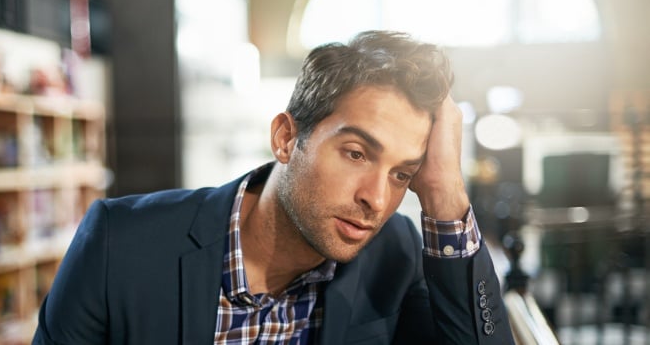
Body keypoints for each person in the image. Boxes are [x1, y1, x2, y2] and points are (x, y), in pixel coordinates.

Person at [33, 30, 514, 344]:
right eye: (355, 153)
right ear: (286, 138)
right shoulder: (121, 243)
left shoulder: (396, 255)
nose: (377, 197)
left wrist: (445, 195)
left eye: (401, 174)